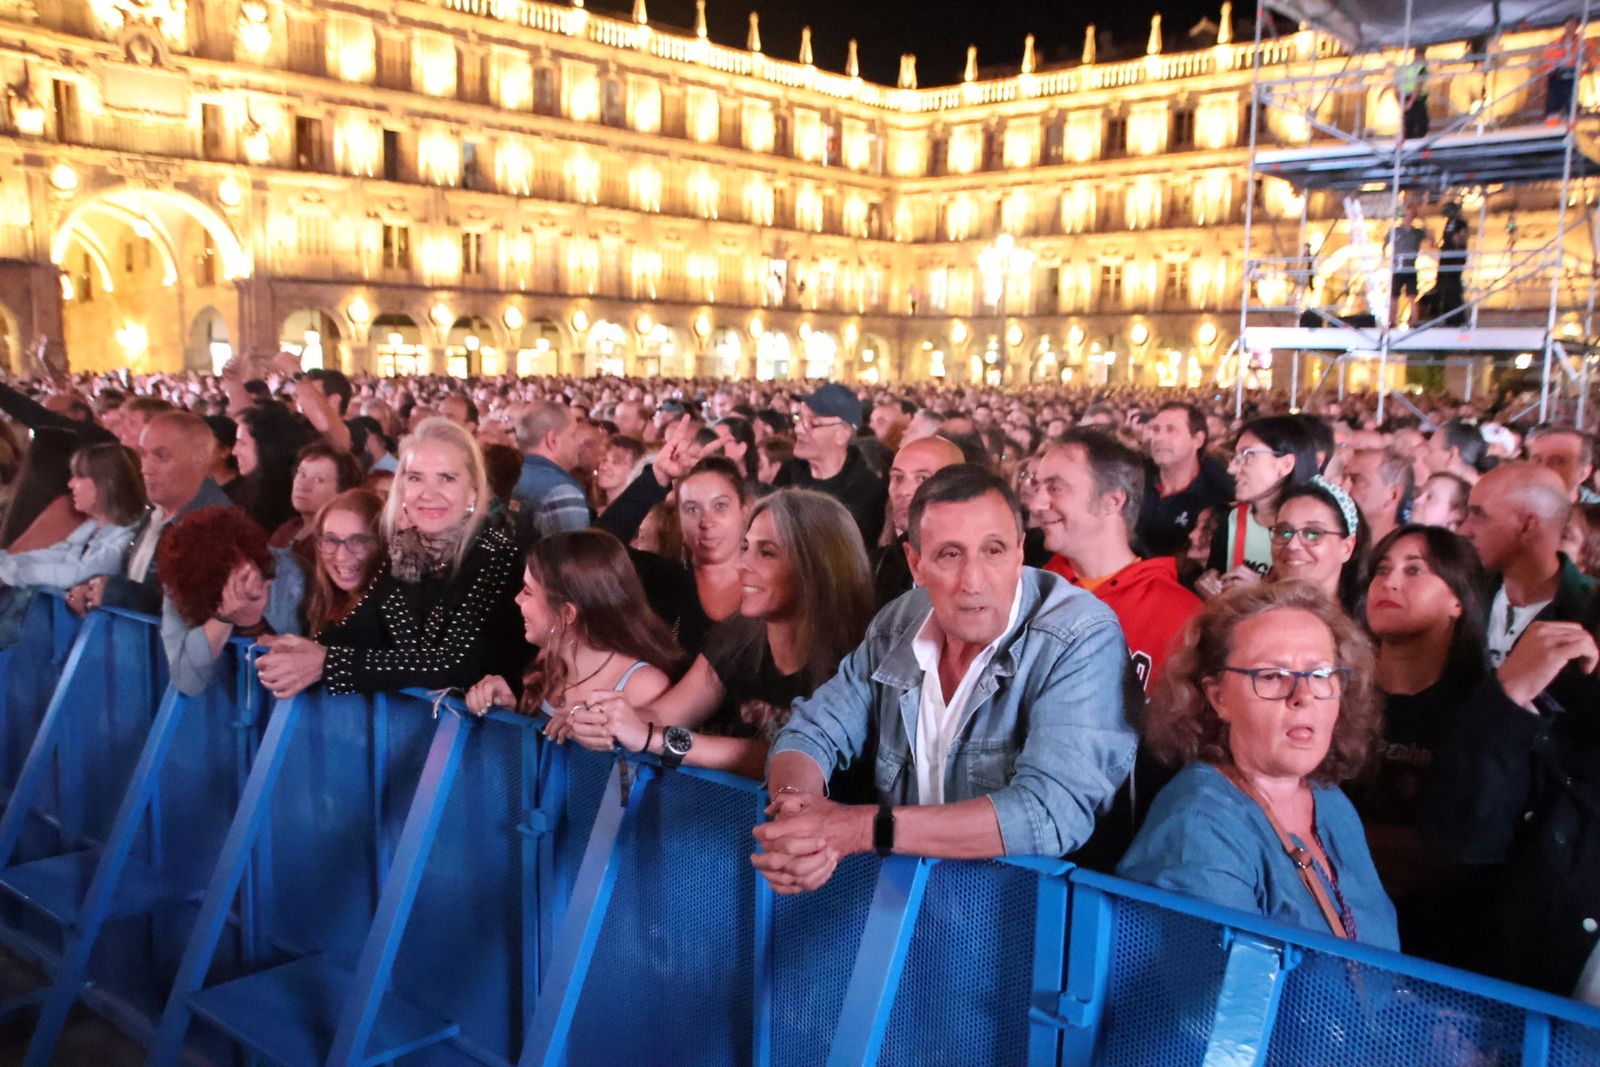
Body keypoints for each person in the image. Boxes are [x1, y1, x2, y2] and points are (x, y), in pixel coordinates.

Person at [753, 465, 1137, 894]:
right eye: (950, 555)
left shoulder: (1079, 635)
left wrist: (859, 829)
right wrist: (795, 811)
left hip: (1029, 918)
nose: (973, 582)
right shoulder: (899, 622)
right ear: (916, 564)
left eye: (993, 551)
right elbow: (812, 729)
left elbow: (1048, 814)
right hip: (911, 899)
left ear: (1019, 554)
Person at [1116, 581, 1398, 947]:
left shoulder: (1330, 801)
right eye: (1271, 676)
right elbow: (1228, 1000)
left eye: (1320, 675)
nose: (1303, 696)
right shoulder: (1196, 830)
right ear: (1219, 698)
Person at [566, 490, 875, 782]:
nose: (742, 565)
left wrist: (652, 738)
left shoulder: (858, 659)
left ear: (818, 568)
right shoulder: (737, 636)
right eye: (745, 547)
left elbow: (791, 756)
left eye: (766, 553)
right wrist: (599, 717)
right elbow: (668, 713)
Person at [254, 418, 528, 698]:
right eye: (415, 477)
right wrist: (300, 649)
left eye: (447, 478)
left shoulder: (494, 553)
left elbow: (453, 663)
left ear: (473, 490)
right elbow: (363, 628)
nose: (428, 494)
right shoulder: (408, 548)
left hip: (484, 734)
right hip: (420, 728)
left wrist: (328, 662)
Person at [1352, 525, 1490, 968]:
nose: (1390, 582)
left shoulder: (1480, 712)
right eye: (1382, 569)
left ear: (1458, 600)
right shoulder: (1332, 690)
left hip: (1432, 943)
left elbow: (1453, 853)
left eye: (1415, 571)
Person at [1030, 431, 1200, 692]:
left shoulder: (1182, 616)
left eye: (1055, 488)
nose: (1036, 504)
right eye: (1037, 486)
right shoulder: (1029, 591)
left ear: (1112, 501)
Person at [462, 529, 678, 731]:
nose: (517, 599)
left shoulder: (643, 685)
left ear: (567, 614)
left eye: (527, 592)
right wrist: (510, 713)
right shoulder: (549, 660)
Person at [66, 412, 233, 617]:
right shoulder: (155, 513)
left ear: (199, 459)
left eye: (161, 457)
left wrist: (117, 593)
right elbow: (138, 578)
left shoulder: (215, 523)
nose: (146, 469)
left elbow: (195, 606)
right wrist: (93, 588)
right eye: (144, 455)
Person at [1459, 461, 1595, 669]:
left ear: (1527, 526)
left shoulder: (1590, 609)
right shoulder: (1461, 591)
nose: (1464, 530)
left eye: (1478, 516)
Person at [158, 507, 305, 696]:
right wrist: (223, 617)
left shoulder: (285, 573)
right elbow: (187, 682)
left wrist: (253, 624)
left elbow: (292, 674)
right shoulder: (179, 588)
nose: (236, 580)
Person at [1197, 415, 1320, 596]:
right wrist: (1210, 586)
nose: (1232, 469)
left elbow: (1322, 600)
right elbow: (1217, 578)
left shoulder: (1316, 529)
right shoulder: (1232, 521)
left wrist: (1263, 591)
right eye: (1236, 456)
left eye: (1247, 455)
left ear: (1285, 464)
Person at [774, 383, 886, 545]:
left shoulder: (867, 489)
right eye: (798, 418)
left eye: (812, 424)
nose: (798, 429)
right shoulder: (789, 472)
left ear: (842, 435)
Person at [874, 435, 963, 608]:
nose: (904, 491)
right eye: (898, 478)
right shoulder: (881, 566)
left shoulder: (977, 568)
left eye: (923, 478)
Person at [1138, 402, 1234, 558]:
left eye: (1171, 430)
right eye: (1156, 430)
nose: (1159, 438)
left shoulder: (1219, 496)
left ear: (1198, 439)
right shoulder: (1135, 482)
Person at [303, 488, 385, 637]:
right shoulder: (324, 604)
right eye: (330, 540)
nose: (341, 556)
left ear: (381, 544)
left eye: (357, 541)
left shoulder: (388, 615)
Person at [228, 404, 316, 534]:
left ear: (266, 448)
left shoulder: (294, 502)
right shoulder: (245, 492)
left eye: (242, 443)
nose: (234, 451)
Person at [271, 442, 364, 561]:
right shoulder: (288, 529)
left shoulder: (334, 544)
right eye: (301, 474)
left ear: (342, 493)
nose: (303, 485)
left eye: (318, 480)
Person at [512, 400, 590, 540]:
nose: (579, 442)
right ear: (552, 439)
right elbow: (572, 558)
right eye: (573, 434)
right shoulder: (561, 491)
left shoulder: (509, 476)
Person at [1340, 447, 1410, 546]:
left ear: (1392, 495)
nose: (1342, 488)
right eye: (1343, 478)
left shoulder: (1408, 551)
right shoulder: (1335, 546)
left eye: (1355, 480)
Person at [1526, 424, 1599, 504]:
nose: (1543, 469)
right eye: (1537, 460)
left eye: (1557, 462)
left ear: (1583, 473)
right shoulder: (1513, 502)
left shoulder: (1595, 512)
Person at [1433, 201, 1469, 325]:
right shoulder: (1450, 222)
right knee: (1444, 287)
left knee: (1453, 288)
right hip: (1446, 259)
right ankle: (1448, 316)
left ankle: (1457, 318)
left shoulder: (1460, 223)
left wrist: (1454, 242)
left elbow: (1461, 238)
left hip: (1454, 259)